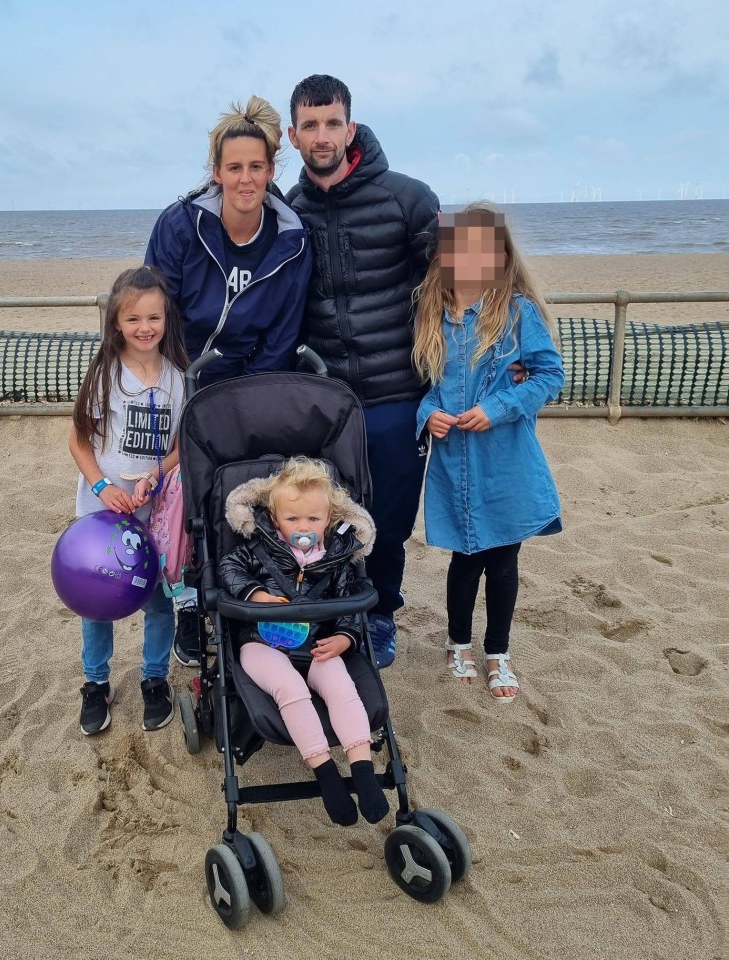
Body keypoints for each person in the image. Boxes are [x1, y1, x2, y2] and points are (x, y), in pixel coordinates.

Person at [146, 95, 313, 667]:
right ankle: (189, 604)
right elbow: (156, 309)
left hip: (248, 380)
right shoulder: (180, 225)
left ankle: (248, 592)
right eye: (235, 167)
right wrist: (181, 387)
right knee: (183, 494)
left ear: (272, 170)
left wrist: (244, 401)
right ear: (216, 172)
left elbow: (282, 334)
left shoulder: (291, 240)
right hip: (181, 373)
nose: (246, 178)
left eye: (257, 167)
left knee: (242, 485)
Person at [283, 75, 440, 669]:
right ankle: (332, 610)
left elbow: (460, 287)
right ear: (294, 135)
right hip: (325, 400)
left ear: (350, 128)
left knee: (390, 521)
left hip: (399, 393)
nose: (321, 135)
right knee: (321, 517)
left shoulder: (410, 197)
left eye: (332, 123)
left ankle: (378, 615)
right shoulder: (289, 212)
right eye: (309, 125)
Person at [413, 203, 565, 702]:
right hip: (454, 463)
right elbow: (431, 387)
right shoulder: (431, 314)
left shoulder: (516, 312)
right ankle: (458, 642)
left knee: (502, 561)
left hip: (505, 462)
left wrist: (498, 406)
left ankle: (497, 651)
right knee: (465, 558)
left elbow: (549, 375)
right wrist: (427, 415)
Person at [219, 457, 389, 826]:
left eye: (313, 519)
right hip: (262, 642)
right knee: (289, 686)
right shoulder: (257, 547)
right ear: (274, 517)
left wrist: (345, 638)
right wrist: (256, 594)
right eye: (292, 519)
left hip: (319, 643)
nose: (303, 526)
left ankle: (362, 769)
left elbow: (349, 602)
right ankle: (326, 773)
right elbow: (227, 569)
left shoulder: (337, 556)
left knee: (342, 685)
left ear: (328, 520)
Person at [68, 266, 189, 735]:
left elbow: (181, 444)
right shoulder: (106, 374)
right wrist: (103, 486)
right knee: (96, 603)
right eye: (134, 318)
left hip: (152, 515)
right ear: (117, 322)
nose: (145, 328)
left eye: (154, 318)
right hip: (103, 515)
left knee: (159, 603)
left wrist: (160, 473)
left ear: (166, 319)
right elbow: (78, 440)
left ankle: (154, 678)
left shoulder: (178, 378)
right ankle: (96, 681)